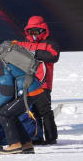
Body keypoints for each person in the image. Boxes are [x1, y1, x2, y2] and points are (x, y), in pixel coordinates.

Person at [19, 15, 60, 145]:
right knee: (32, 111)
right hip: (28, 83)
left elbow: (53, 56)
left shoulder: (51, 44)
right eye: (31, 31)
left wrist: (35, 54)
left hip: (43, 84)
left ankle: (51, 137)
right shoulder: (24, 43)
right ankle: (37, 137)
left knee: (45, 111)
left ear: (43, 30)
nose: (34, 34)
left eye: (36, 31)